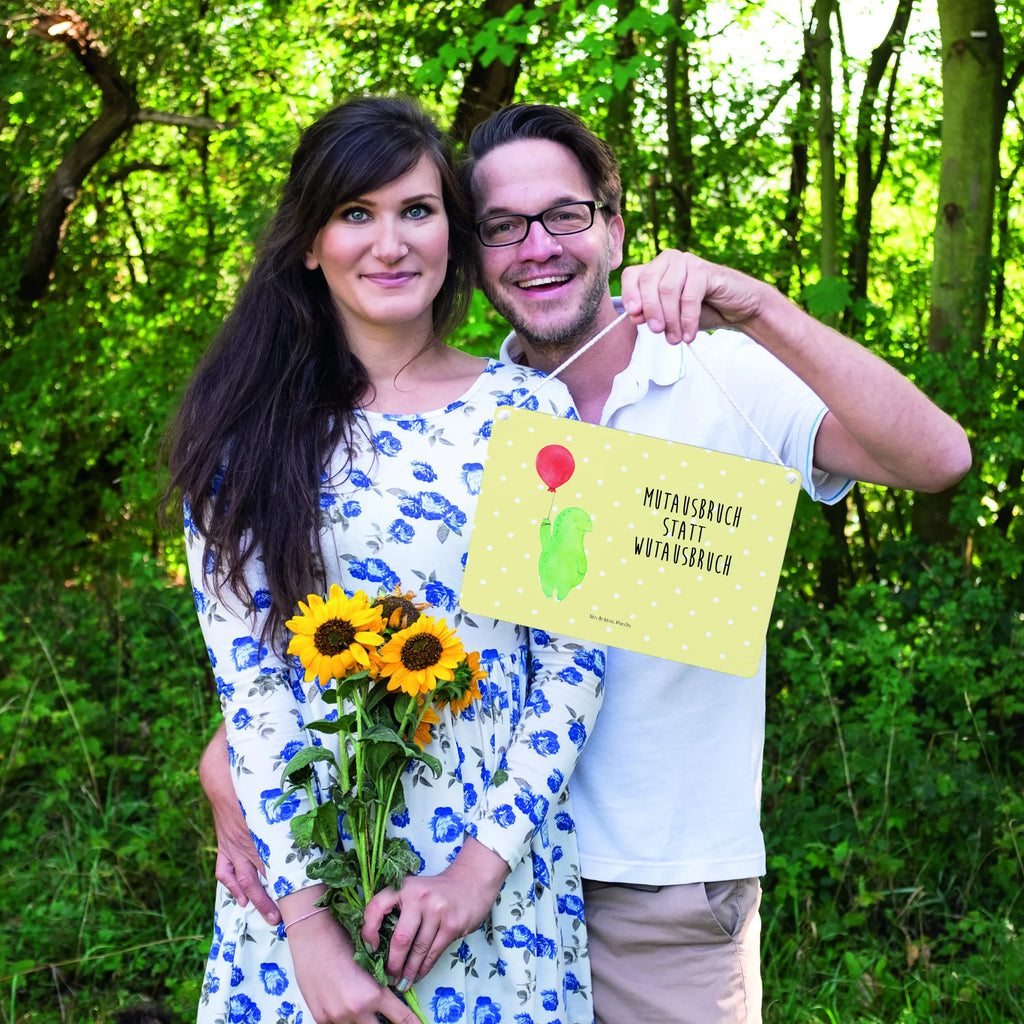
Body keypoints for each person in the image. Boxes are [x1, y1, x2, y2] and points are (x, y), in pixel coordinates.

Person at [201, 102, 972, 1024]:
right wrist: (235, 767)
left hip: (654, 888)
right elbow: (332, 633)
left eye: (564, 215)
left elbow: (938, 461)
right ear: (474, 251)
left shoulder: (712, 372)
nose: (536, 247)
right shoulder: (464, 415)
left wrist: (760, 307)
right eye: (501, 227)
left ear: (612, 226)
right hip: (429, 876)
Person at [165, 96, 609, 1024]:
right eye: (355, 214)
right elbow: (253, 693)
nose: (390, 242)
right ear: (308, 243)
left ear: (452, 229)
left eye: (417, 210)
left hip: (492, 889)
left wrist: (477, 872)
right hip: (303, 889)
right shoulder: (242, 438)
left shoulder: (534, 415)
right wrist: (312, 937)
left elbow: (573, 663)